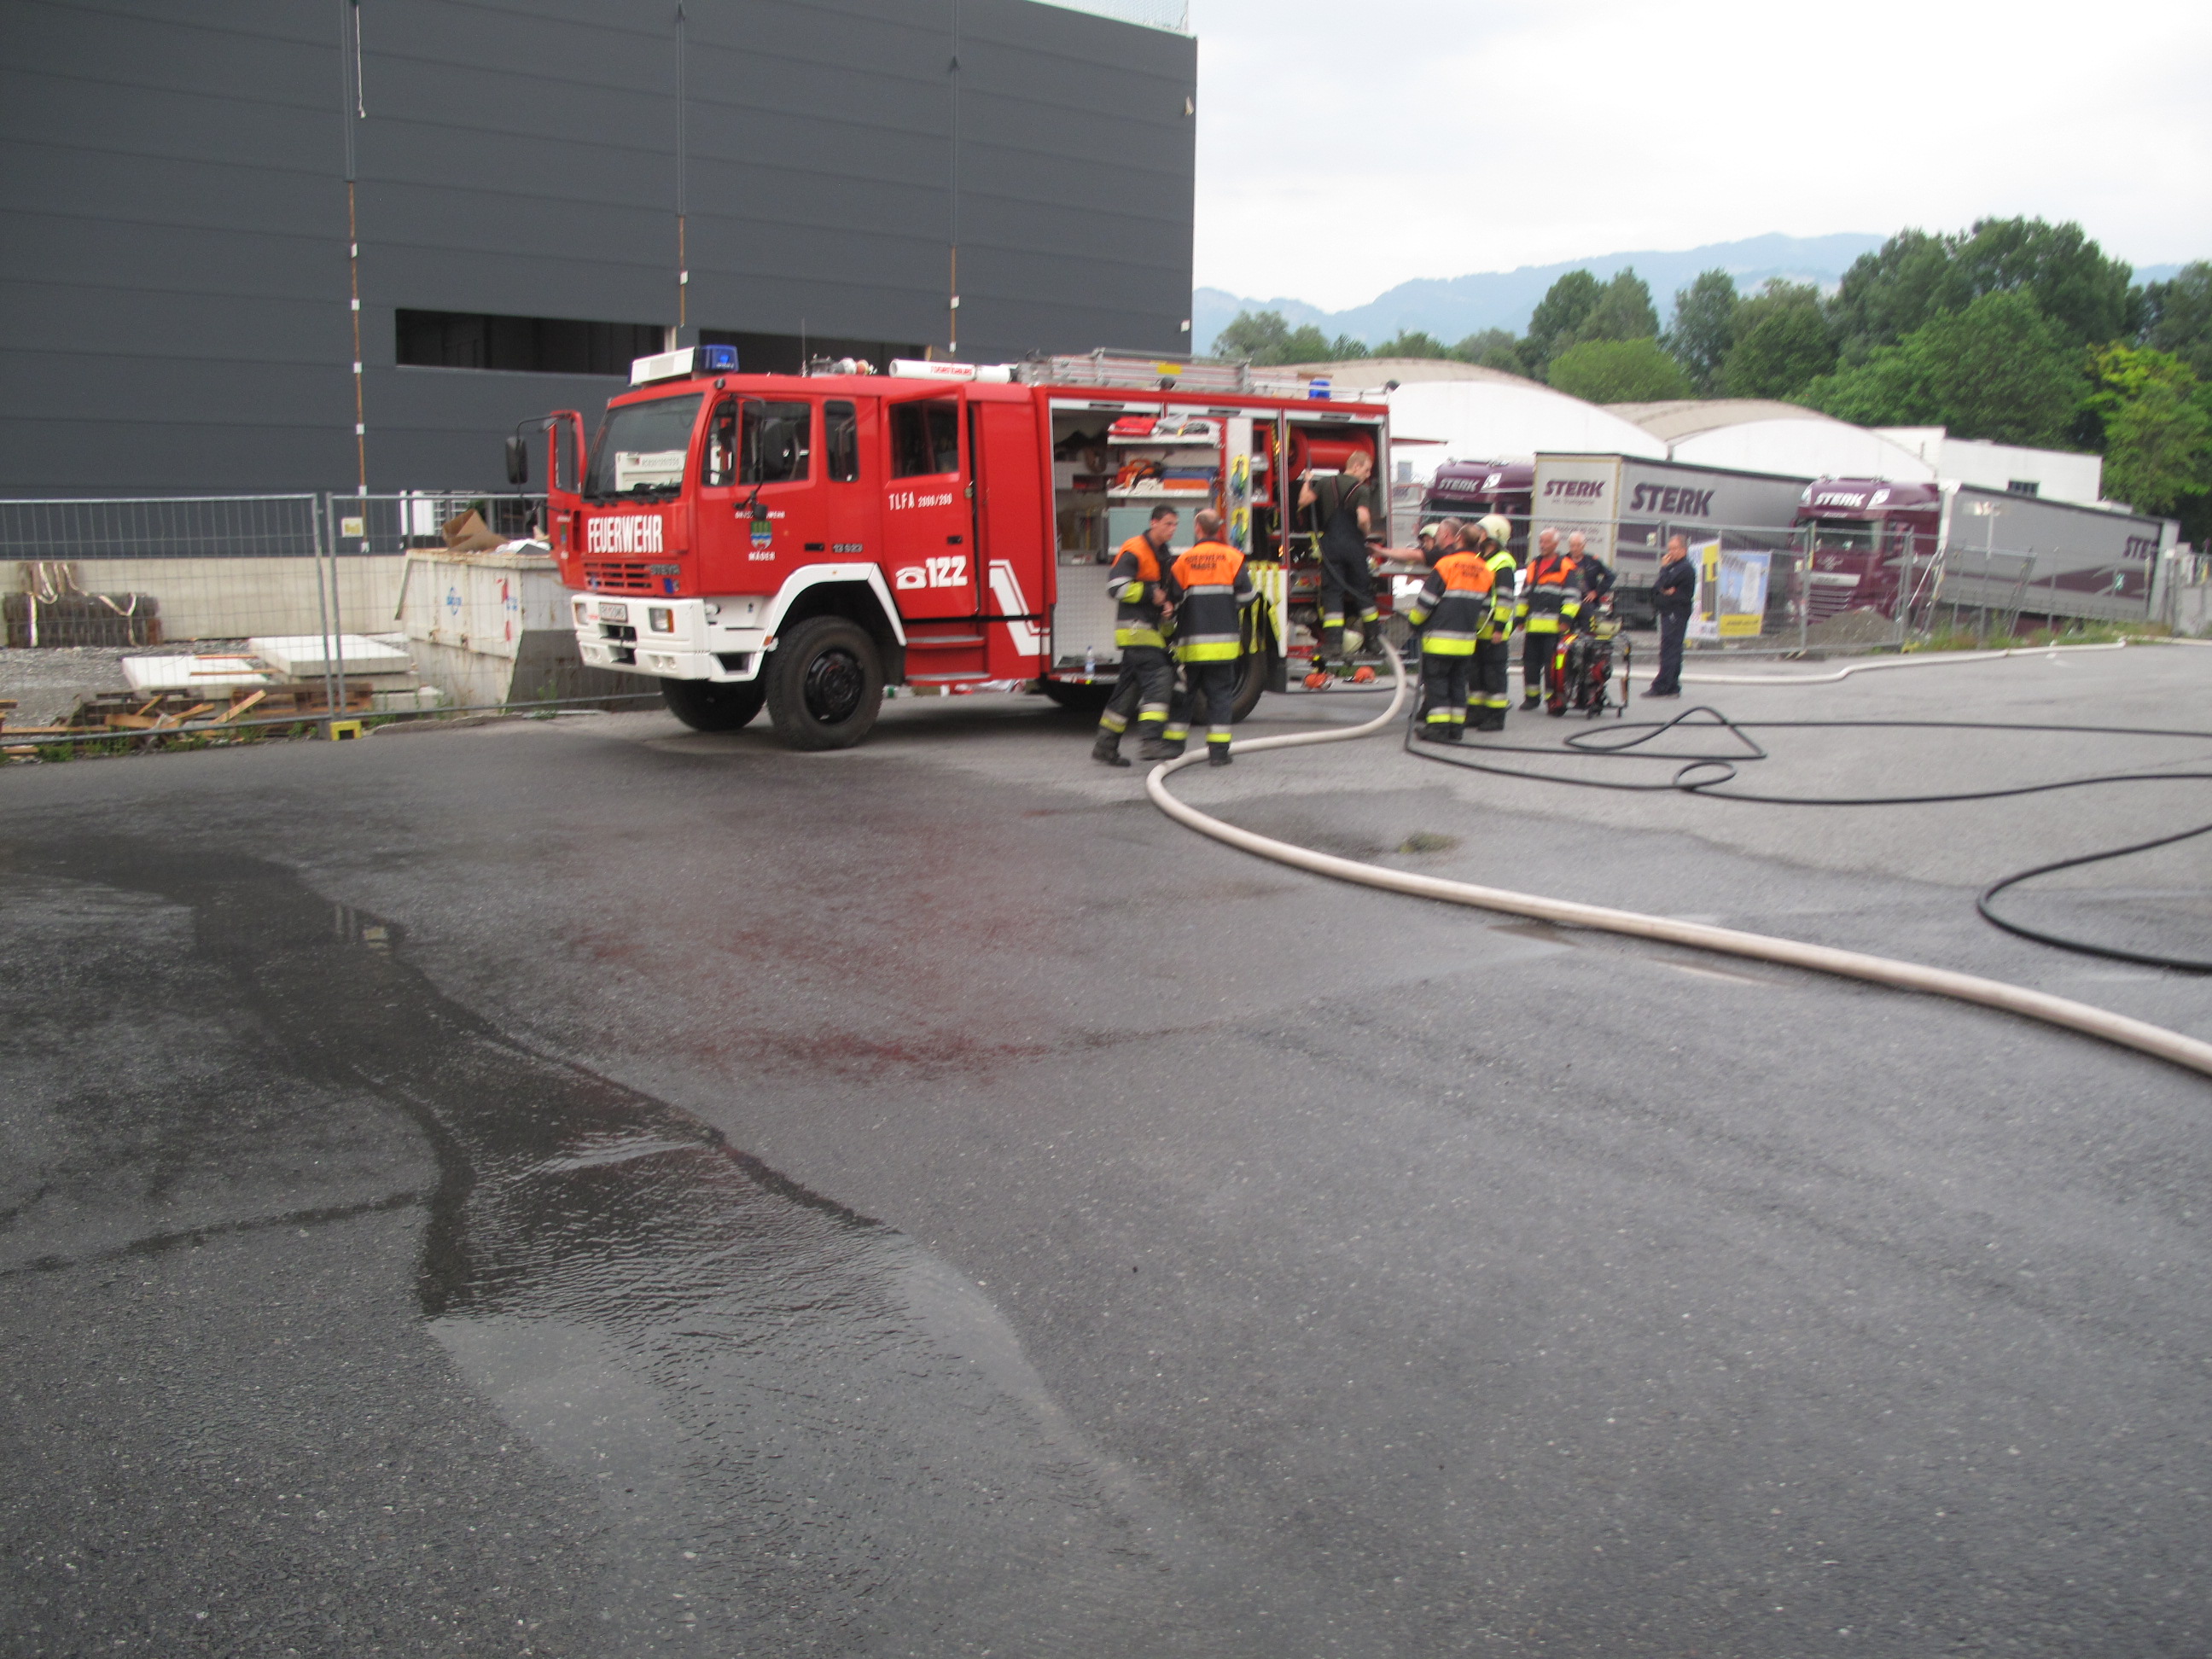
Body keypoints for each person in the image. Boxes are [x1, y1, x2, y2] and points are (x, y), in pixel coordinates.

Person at [1162, 508, 1256, 766]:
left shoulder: (1183, 561)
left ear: (1198, 529)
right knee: (1220, 698)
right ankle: (1218, 753)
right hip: (1223, 647)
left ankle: (1173, 749)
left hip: (1191, 646)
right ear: (1220, 529)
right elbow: (1248, 597)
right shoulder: (1233, 558)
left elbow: (1172, 603)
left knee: (1183, 695)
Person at [1091, 504, 1179, 765]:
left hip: (1146, 630)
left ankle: (1105, 746)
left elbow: (1160, 592)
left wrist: (1166, 606)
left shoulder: (1163, 554)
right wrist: (1151, 594)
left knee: (1128, 691)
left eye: (1175, 524)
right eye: (1168, 524)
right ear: (1153, 523)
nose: (1172, 529)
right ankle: (1151, 741)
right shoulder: (1135, 549)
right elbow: (1115, 587)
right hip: (1136, 630)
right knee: (1160, 677)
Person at [1404, 522, 1495, 742]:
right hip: (1466, 642)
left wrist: (1414, 622)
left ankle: (1438, 728)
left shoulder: (1447, 565)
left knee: (1437, 683)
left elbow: (1426, 601)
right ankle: (1456, 729)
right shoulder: (1485, 570)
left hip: (1440, 640)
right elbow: (1485, 610)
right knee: (1458, 684)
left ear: (1459, 539)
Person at [1297, 447, 1378, 684]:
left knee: (1332, 594)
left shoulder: (1326, 483)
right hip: (1354, 547)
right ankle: (1373, 640)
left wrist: (1307, 480)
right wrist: (1366, 532)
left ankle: (1333, 643)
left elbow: (1303, 501)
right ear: (1356, 466)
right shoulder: (1361, 490)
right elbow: (1363, 518)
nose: (1367, 475)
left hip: (1330, 546)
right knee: (1362, 592)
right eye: (1366, 470)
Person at [1516, 527, 1582, 708]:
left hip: (1554, 628)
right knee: (1530, 664)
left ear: (1555, 544)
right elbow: (1524, 595)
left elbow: (1573, 597)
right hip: (1534, 627)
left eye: (1546, 542)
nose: (1542, 545)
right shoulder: (1533, 566)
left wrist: (1566, 619)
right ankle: (1531, 698)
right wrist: (1520, 618)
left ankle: (1552, 699)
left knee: (1551, 666)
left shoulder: (1566, 567)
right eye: (1541, 541)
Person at [1466, 514, 1517, 731]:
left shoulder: (1503, 563)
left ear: (1494, 537)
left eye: (1482, 531)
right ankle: (1476, 713)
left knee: (1493, 676)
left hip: (1493, 630)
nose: (1478, 534)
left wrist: (1499, 628)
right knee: (1476, 674)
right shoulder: (1481, 559)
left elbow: (1505, 599)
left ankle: (1496, 717)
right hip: (1478, 628)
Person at [1648, 534, 1696, 698]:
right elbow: (1658, 586)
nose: (1670, 553)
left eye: (1674, 549)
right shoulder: (1673, 567)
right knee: (1670, 648)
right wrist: (1665, 587)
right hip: (1668, 611)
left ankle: (1663, 685)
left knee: (1670, 649)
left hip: (1676, 612)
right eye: (1669, 549)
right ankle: (1672, 685)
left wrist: (1663, 569)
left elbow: (1666, 583)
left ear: (1683, 549)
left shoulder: (1685, 568)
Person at [1569, 530, 1615, 614]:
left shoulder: (1593, 561)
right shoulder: (1563, 561)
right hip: (1567, 603)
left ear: (1584, 545)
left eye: (1578, 545)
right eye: (1572, 546)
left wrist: (1596, 592)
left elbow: (1611, 576)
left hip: (1587, 604)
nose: (1575, 549)